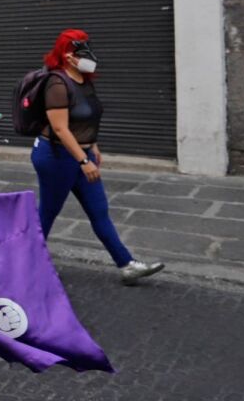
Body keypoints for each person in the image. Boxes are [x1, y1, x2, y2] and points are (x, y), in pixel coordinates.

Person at [33, 30, 163, 285]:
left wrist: (93, 146)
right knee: (47, 213)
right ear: (68, 56)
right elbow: (60, 128)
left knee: (99, 210)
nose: (89, 57)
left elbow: (87, 117)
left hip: (82, 153)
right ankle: (28, 264)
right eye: (82, 53)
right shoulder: (57, 84)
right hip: (56, 157)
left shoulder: (84, 80)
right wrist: (84, 160)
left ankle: (127, 265)